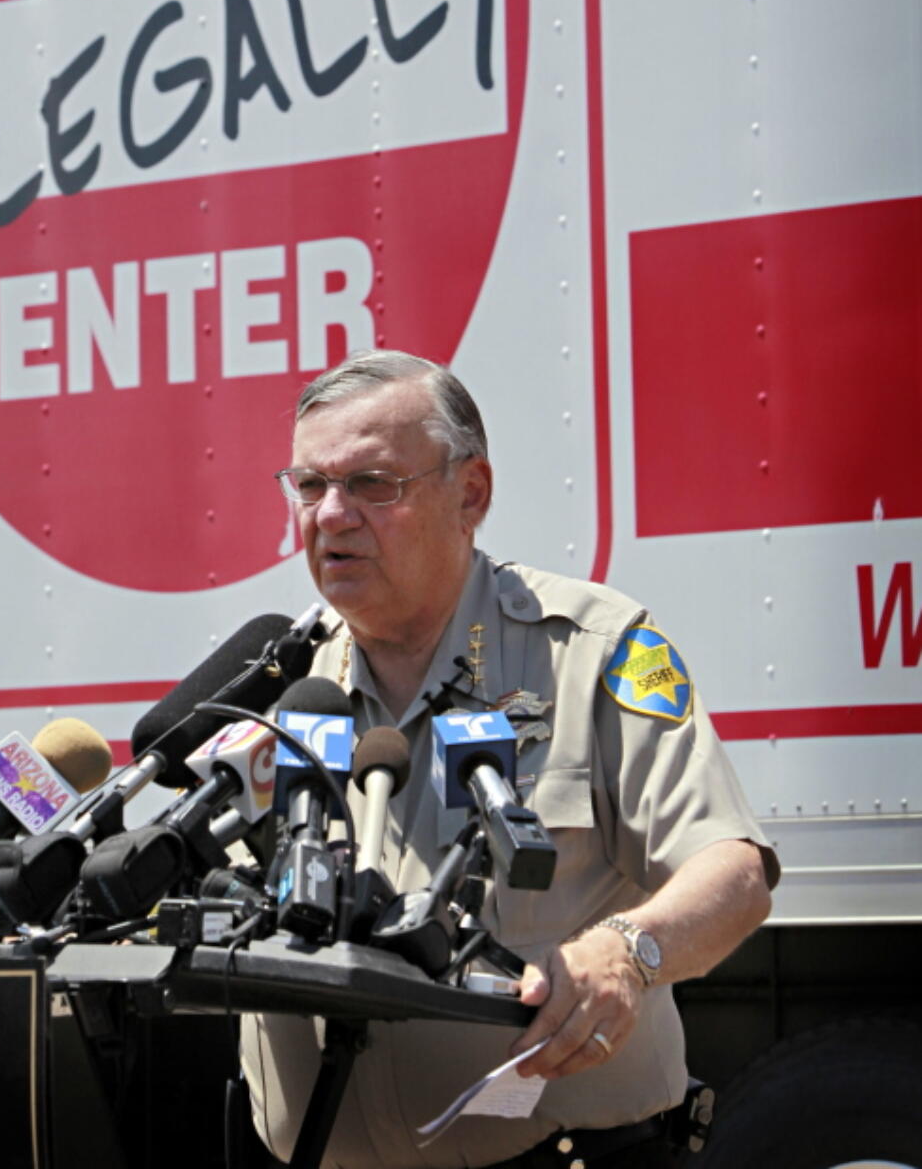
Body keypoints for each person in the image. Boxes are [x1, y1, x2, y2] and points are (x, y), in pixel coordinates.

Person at [240, 349, 776, 1169]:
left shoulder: (588, 647)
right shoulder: (284, 688)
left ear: (471, 494)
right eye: (310, 486)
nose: (332, 515)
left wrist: (628, 951)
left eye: (373, 485)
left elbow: (733, 872)